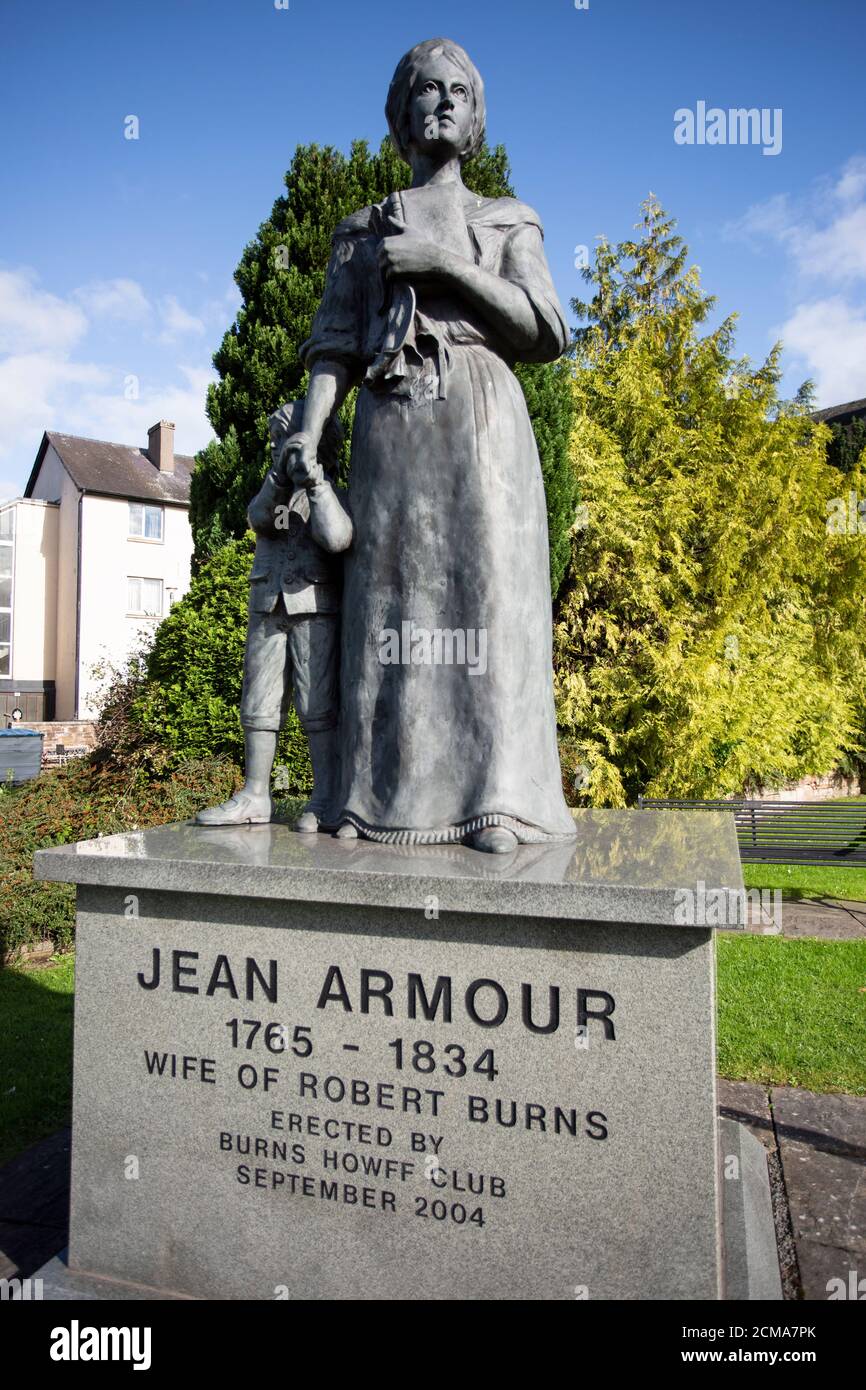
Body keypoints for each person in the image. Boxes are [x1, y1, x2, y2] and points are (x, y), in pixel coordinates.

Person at [280, 37, 576, 854]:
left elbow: (547, 329)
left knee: (487, 598)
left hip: (482, 422)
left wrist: (446, 266)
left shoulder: (507, 219)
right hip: (390, 427)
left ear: (475, 118)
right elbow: (333, 347)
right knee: (389, 603)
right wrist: (307, 438)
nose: (441, 101)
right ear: (400, 114)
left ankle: (501, 801)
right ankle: (374, 798)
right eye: (424, 90)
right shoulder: (361, 231)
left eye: (457, 91)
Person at [195, 402, 351, 830]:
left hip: (314, 608)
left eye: (291, 442)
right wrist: (279, 477)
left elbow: (337, 538)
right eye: (279, 444)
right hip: (268, 604)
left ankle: (325, 798)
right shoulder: (272, 492)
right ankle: (255, 795)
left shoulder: (335, 493)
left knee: (317, 703)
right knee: (258, 703)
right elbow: (258, 517)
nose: (284, 450)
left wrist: (315, 482)